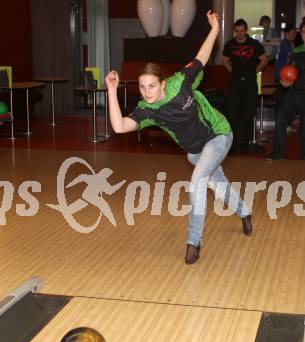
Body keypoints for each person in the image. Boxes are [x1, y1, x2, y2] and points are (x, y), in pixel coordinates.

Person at [105, 11, 252, 265]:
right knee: (218, 185)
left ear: (163, 83)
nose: (146, 91)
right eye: (142, 87)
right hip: (195, 152)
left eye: (151, 85)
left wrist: (215, 28)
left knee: (197, 183)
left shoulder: (180, 83)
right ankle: (245, 212)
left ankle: (193, 243)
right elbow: (119, 127)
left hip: (218, 135)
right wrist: (111, 91)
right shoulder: (147, 110)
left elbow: (202, 57)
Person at [222, 19, 268, 154]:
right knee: (232, 113)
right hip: (235, 83)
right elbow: (224, 60)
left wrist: (255, 70)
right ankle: (232, 143)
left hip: (250, 83)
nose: (240, 34)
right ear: (234, 31)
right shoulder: (230, 44)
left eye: (242, 31)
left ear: (246, 30)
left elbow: (264, 59)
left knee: (248, 113)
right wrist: (232, 71)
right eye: (237, 31)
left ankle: (244, 143)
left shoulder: (254, 44)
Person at [267, 21, 305, 160]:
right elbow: (290, 71)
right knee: (281, 116)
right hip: (294, 91)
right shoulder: (297, 50)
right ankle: (278, 154)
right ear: (301, 33)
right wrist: (285, 81)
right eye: (304, 32)